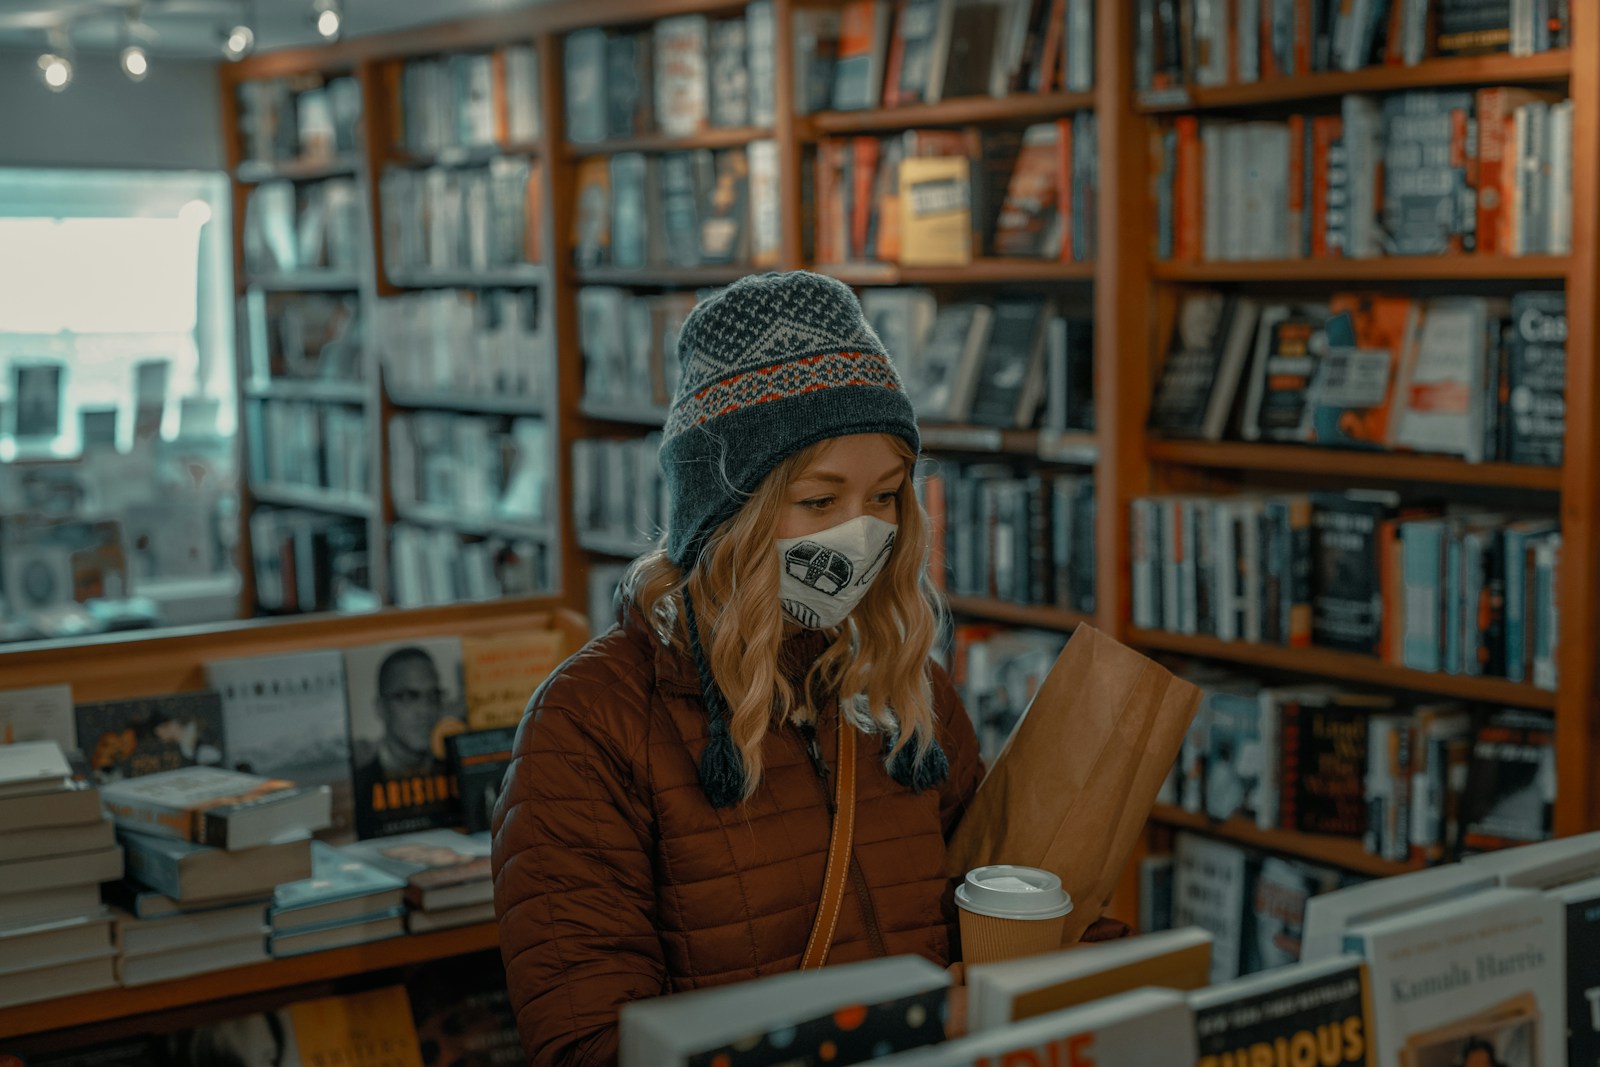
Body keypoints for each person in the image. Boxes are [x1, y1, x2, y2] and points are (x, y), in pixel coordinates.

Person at [491, 272, 1120, 1067]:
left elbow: (996, 897)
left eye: (886, 496)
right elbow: (589, 1045)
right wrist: (907, 1023)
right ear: (725, 513)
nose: (861, 533)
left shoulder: (904, 687)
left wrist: (1091, 976)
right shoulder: (590, 722)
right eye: (819, 502)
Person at [352, 646, 447, 797]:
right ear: (381, 708)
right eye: (408, 697)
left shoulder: (452, 772)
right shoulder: (359, 787)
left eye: (433, 696)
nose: (426, 711)